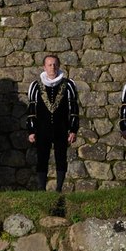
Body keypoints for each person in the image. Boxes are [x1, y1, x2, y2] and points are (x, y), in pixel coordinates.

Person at [27, 54, 79, 192]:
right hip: (42, 129)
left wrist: (73, 129)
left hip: (61, 128)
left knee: (61, 157)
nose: (52, 67)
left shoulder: (68, 85)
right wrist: (31, 130)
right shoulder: (35, 85)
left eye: (55, 64)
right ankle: (41, 189)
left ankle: (59, 188)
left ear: (59, 65)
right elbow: (32, 110)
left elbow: (73, 109)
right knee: (42, 158)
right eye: (49, 65)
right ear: (44, 67)